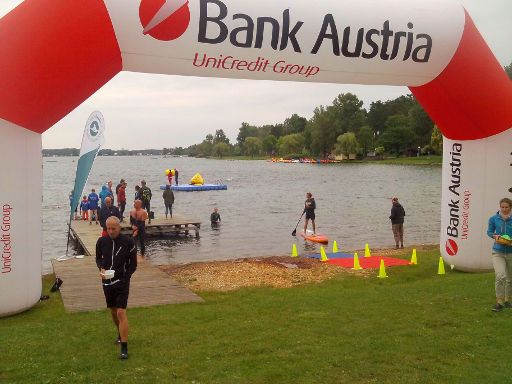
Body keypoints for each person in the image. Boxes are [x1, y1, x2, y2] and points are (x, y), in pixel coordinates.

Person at [95, 216, 137, 360]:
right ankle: (120, 333)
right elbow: (98, 258)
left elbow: (133, 264)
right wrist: (101, 268)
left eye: (114, 228)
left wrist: (127, 277)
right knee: (113, 311)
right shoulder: (102, 241)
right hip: (107, 280)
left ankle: (124, 348)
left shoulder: (128, 242)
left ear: (119, 227)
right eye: (109, 229)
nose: (111, 231)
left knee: (120, 312)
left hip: (122, 281)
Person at [487, 197, 512, 312]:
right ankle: (499, 303)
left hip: (511, 252)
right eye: (502, 207)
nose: (504, 209)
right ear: (500, 207)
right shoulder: (494, 219)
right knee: (500, 275)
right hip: (498, 252)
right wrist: (495, 236)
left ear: (510, 207)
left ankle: (508, 301)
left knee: (510, 278)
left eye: (506, 207)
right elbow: (489, 231)